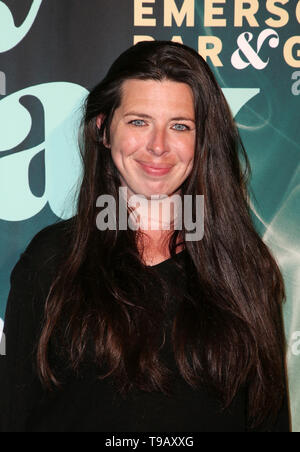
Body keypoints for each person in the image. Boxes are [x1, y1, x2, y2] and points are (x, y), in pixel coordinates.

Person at [0, 41, 291, 432]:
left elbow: (267, 418)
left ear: (201, 141)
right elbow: (14, 414)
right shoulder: (52, 260)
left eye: (180, 126)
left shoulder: (244, 268)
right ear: (103, 130)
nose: (158, 146)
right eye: (139, 122)